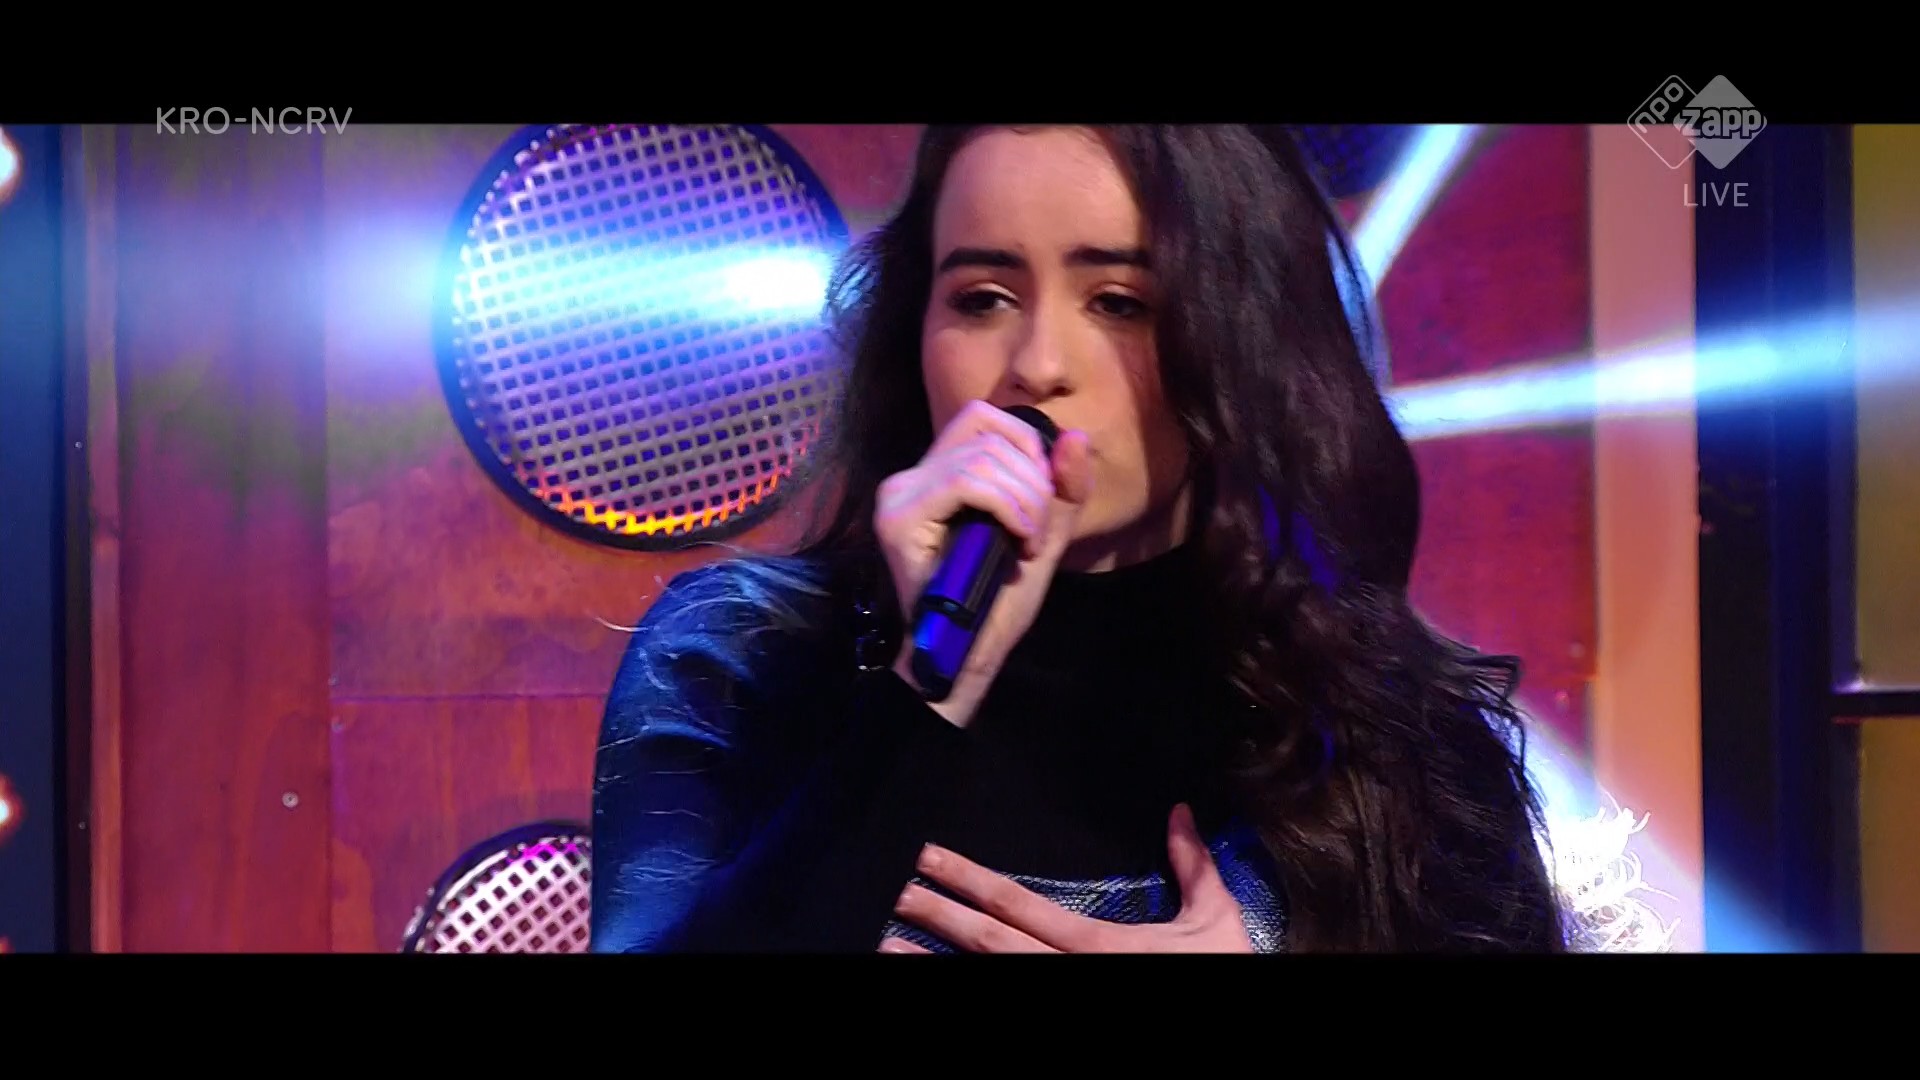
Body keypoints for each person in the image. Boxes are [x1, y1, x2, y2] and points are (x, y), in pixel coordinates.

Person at [588, 124, 1574, 953]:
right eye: (982, 298)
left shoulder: (1386, 734)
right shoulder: (745, 658)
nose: (1038, 364)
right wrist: (925, 689)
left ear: (1239, 336)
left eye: (1118, 304)